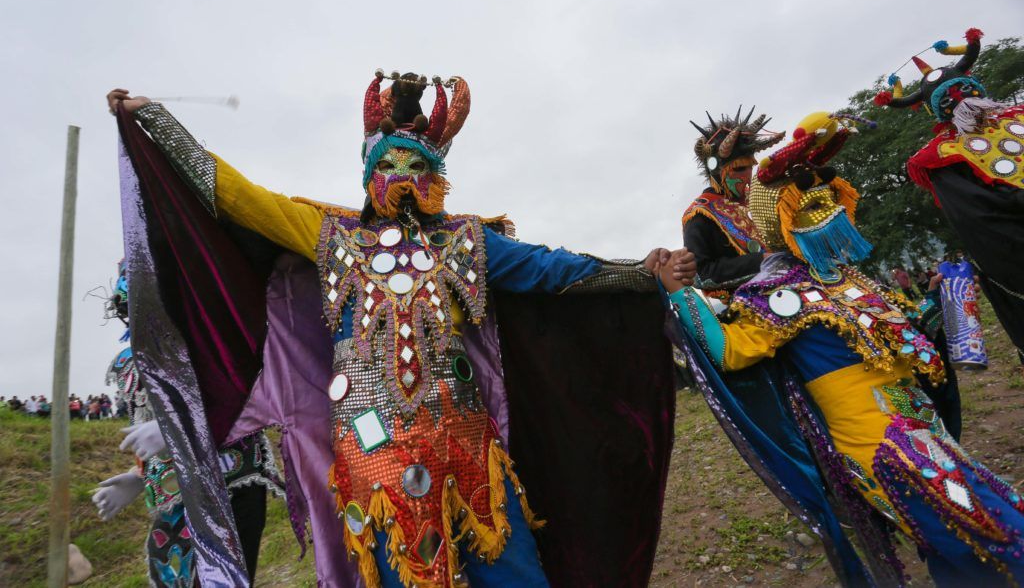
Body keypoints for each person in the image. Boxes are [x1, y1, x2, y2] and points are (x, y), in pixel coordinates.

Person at [107, 72, 691, 588]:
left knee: (512, 571)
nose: (403, 176)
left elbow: (550, 269)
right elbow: (238, 196)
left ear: (437, 175)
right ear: (368, 174)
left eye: (417, 166)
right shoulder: (329, 235)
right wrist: (155, 120)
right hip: (373, 446)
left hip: (465, 439)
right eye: (387, 165)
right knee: (408, 574)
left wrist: (640, 273)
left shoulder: (466, 239)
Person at [661, 113, 1024, 586]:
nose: (827, 211)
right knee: (997, 534)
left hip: (916, 418)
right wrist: (686, 290)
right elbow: (721, 316)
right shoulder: (710, 224)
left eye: (827, 199)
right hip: (872, 427)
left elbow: (901, 325)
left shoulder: (845, 275)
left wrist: (941, 304)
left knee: (968, 546)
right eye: (738, 170)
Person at [93, 259, 283, 587]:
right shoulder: (131, 363)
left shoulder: (214, 342)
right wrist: (138, 478)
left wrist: (176, 429)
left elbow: (248, 401)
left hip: (229, 486)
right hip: (175, 501)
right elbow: (147, 433)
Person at [875, 27, 1024, 373]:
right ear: (937, 111)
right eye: (949, 98)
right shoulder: (942, 155)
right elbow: (981, 221)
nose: (961, 99)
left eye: (964, 89)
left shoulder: (1018, 116)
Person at [682, 106, 783, 301]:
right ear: (716, 172)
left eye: (750, 167)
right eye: (739, 169)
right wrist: (759, 261)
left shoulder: (759, 199)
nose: (748, 176)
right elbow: (701, 273)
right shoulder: (700, 214)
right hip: (751, 303)